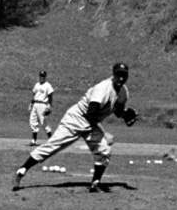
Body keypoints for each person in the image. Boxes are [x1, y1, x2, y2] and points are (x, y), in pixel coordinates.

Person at [12, 62, 136, 193]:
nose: (121, 78)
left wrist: (125, 114)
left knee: (104, 150)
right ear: (113, 74)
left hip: (91, 123)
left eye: (124, 75)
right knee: (53, 146)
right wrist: (104, 133)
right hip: (76, 119)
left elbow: (117, 110)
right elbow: (91, 113)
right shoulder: (103, 88)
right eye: (118, 75)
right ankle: (22, 170)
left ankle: (95, 183)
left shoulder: (123, 92)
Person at [28, 70, 55, 145]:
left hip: (43, 105)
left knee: (43, 122)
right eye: (40, 76)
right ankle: (34, 140)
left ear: (45, 77)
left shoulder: (47, 85)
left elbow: (50, 96)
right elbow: (34, 95)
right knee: (32, 121)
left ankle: (51, 140)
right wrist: (31, 103)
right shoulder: (37, 84)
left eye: (43, 76)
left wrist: (49, 106)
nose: (41, 77)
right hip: (35, 104)